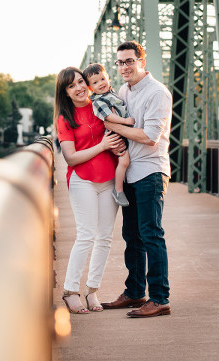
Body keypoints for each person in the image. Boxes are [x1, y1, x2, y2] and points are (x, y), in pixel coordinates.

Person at [100, 40, 173, 318]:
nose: (124, 67)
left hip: (151, 171)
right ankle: (134, 292)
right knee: (131, 235)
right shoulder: (123, 91)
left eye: (129, 61)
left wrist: (112, 125)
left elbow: (150, 137)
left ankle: (159, 298)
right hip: (130, 171)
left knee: (151, 234)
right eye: (120, 62)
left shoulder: (158, 93)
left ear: (142, 61)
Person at [54, 66, 124, 314]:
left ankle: (93, 290)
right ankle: (70, 291)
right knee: (86, 235)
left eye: (81, 82)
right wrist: (104, 145)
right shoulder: (65, 118)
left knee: (105, 237)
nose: (79, 88)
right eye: (72, 86)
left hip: (109, 179)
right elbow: (71, 158)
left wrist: (116, 146)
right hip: (82, 180)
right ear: (66, 93)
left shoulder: (102, 106)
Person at [82, 63, 134, 208]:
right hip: (114, 135)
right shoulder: (98, 102)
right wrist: (125, 120)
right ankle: (118, 190)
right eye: (95, 82)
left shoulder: (112, 94)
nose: (101, 83)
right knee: (124, 161)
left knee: (125, 160)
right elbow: (109, 117)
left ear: (108, 78)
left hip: (121, 132)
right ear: (90, 88)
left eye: (102, 79)